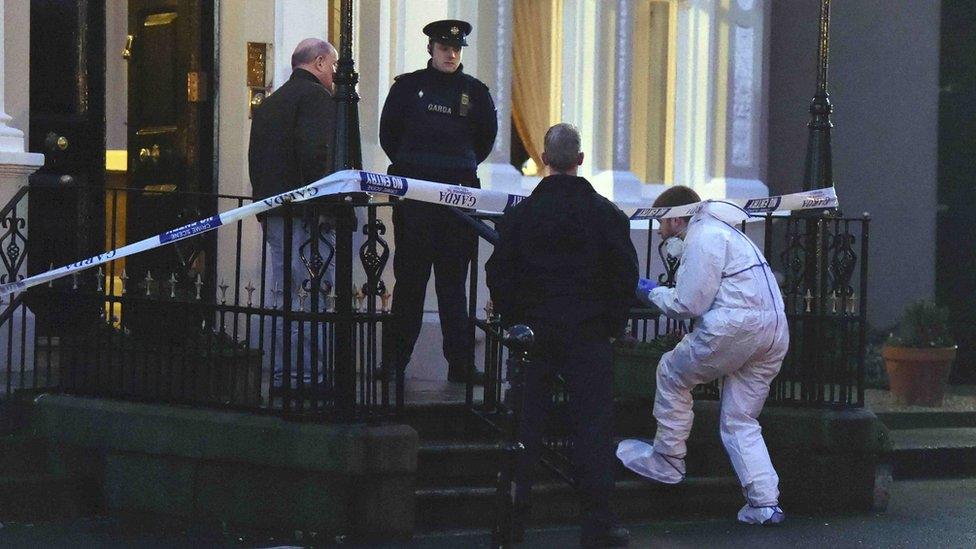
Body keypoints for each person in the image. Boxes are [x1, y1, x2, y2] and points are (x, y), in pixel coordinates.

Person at [486, 124, 637, 547]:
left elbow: (499, 272)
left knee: (525, 428)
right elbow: (624, 275)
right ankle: (599, 521)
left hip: (534, 333)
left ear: (543, 160)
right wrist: (610, 324)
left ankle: (514, 520)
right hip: (588, 332)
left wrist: (517, 317)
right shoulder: (605, 214)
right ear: (580, 160)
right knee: (592, 428)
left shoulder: (521, 216)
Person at [616, 186, 789, 526]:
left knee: (671, 371)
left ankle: (667, 459)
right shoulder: (728, 234)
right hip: (773, 331)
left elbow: (688, 303)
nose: (663, 235)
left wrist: (650, 291)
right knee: (740, 419)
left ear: (677, 217)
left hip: (734, 328)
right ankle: (765, 503)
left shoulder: (702, 235)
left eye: (664, 227)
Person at [379, 19, 498, 383]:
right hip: (415, 199)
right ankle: (395, 361)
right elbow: (389, 135)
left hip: (457, 201)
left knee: (453, 285)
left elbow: (484, 142)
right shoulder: (408, 88)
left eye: (457, 49)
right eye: (445, 48)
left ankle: (460, 365)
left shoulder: (475, 93)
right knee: (410, 283)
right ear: (431, 48)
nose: (451, 54)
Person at [248, 38, 339, 391]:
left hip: (274, 210)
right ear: (319, 62)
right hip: (307, 213)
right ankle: (308, 377)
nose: (335, 74)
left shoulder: (269, 104)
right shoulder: (316, 98)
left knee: (284, 293)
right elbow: (317, 154)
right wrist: (327, 205)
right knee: (311, 293)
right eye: (332, 65)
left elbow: (257, 160)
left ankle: (285, 373)